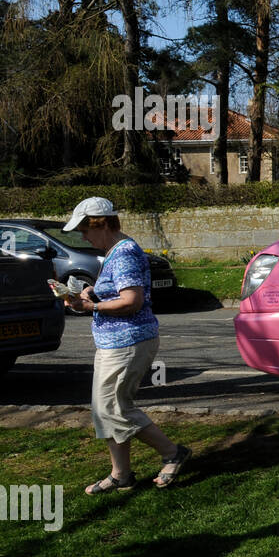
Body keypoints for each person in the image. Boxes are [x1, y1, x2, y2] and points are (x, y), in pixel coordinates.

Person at [61, 197, 193, 494]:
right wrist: (91, 292)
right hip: (115, 342)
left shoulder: (123, 253)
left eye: (84, 229)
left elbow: (131, 301)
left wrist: (90, 307)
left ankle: (173, 452)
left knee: (113, 408)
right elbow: (120, 290)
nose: (82, 236)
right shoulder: (115, 250)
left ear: (102, 224)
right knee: (104, 409)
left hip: (128, 341)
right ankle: (121, 474)